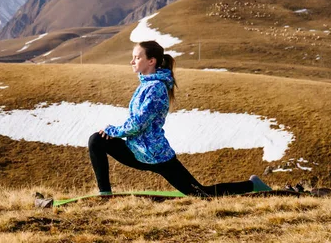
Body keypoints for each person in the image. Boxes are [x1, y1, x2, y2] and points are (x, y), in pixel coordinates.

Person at [88, 40, 272, 197]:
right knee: (96, 140)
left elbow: (139, 123)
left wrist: (112, 130)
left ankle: (253, 185)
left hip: (156, 155)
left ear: (151, 61)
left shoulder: (156, 88)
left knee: (201, 194)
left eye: (137, 57)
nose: (132, 61)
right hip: (137, 150)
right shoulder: (145, 85)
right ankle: (105, 194)